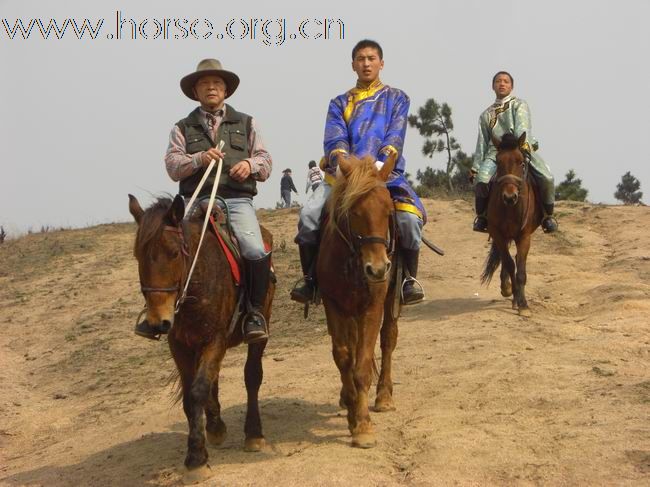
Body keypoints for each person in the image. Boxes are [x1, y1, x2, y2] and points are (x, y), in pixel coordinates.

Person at [291, 39, 426, 305]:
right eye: (361, 59)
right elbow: (334, 139)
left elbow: (394, 136)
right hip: (343, 176)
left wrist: (379, 166)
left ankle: (409, 279)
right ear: (353, 64)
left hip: (384, 174)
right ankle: (310, 281)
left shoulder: (397, 98)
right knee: (308, 217)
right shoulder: (339, 102)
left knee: (409, 221)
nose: (366, 63)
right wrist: (344, 163)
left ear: (381, 63)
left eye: (371, 58)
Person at [155, 58, 273, 343]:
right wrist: (198, 158)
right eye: (205, 84)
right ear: (195, 91)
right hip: (196, 202)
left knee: (255, 250)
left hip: (236, 201)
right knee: (169, 249)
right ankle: (161, 311)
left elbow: (265, 161)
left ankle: (254, 312)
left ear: (226, 91)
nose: (211, 88)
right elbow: (173, 166)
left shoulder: (247, 122)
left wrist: (249, 166)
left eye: (217, 83)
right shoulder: (181, 128)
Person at [470, 71, 558, 233]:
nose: (502, 84)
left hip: (519, 149)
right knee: (482, 179)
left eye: (506, 81)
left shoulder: (519, 105)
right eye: (498, 81)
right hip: (495, 153)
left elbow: (523, 128)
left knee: (547, 177)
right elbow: (482, 141)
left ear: (512, 86)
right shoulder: (485, 115)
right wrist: (476, 167)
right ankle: (482, 217)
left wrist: (522, 146)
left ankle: (548, 216)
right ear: (493, 86)